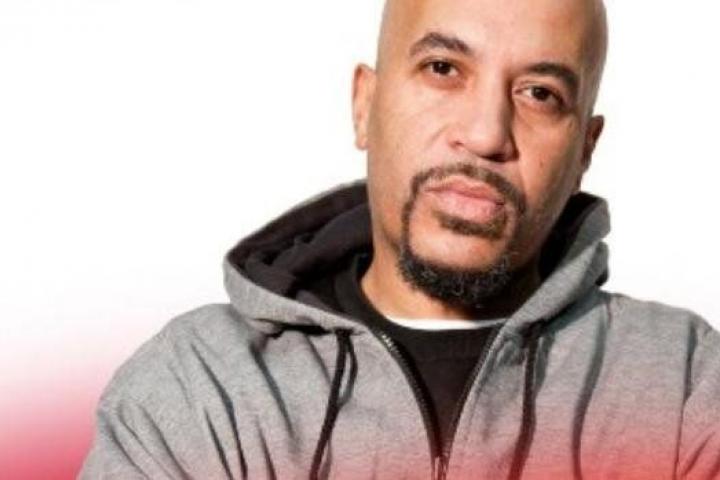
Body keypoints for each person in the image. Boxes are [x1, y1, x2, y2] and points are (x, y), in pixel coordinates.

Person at [80, 0, 720, 478]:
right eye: (443, 68)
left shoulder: (684, 383)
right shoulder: (201, 387)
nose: (486, 133)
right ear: (365, 104)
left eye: (539, 93)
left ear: (584, 150)